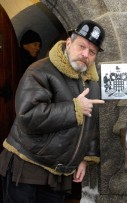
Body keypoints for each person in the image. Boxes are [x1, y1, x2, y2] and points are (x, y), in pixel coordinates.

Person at [0, 20, 105, 203]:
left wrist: (85, 158)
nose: (85, 54)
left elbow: (90, 124)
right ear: (69, 43)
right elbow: (28, 116)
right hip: (27, 167)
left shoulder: (91, 82)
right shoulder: (39, 71)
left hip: (58, 174)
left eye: (92, 52)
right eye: (82, 46)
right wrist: (74, 109)